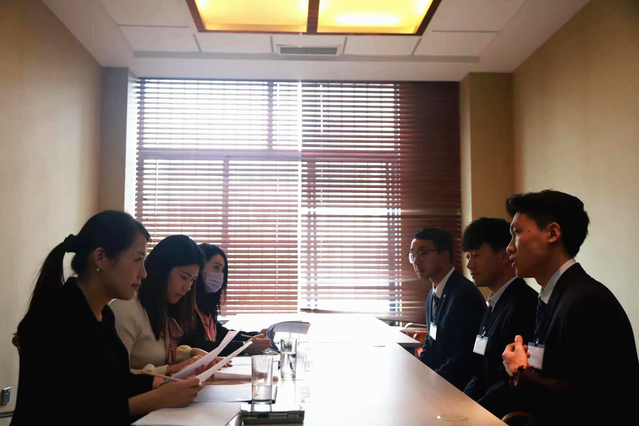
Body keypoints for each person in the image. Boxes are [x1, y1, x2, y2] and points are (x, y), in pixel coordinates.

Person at [11, 211, 202, 426]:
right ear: (100, 257)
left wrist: (167, 383)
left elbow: (117, 382)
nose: (144, 273)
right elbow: (74, 412)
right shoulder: (56, 319)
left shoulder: (103, 314)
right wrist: (158, 398)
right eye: (138, 260)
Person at [502, 190, 639, 425]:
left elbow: (593, 403)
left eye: (516, 233)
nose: (509, 248)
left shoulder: (587, 300)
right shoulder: (557, 295)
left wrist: (520, 373)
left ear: (552, 233)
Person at [461, 218, 537, 418]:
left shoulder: (523, 304)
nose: (469, 264)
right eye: (467, 256)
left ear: (504, 255)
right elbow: (479, 373)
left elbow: (507, 381)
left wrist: (472, 414)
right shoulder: (494, 303)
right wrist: (461, 403)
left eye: (476, 255)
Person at [111, 235, 208, 375]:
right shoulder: (125, 310)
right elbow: (115, 377)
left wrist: (191, 353)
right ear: (162, 270)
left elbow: (157, 357)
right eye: (183, 277)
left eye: (192, 280)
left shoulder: (161, 306)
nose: (187, 287)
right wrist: (170, 370)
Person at [408, 227, 486, 390]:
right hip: (439, 383)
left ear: (444, 255)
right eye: (413, 255)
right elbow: (430, 344)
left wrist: (430, 383)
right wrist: (417, 375)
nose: (416, 261)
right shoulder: (432, 295)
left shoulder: (464, 294)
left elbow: (464, 358)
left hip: (457, 389)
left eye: (423, 253)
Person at [180, 243, 272, 356]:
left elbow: (220, 333)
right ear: (199, 269)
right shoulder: (185, 303)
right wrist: (243, 346)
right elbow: (198, 346)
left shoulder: (205, 304)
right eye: (216, 267)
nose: (220, 275)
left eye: (222, 270)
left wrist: (253, 336)